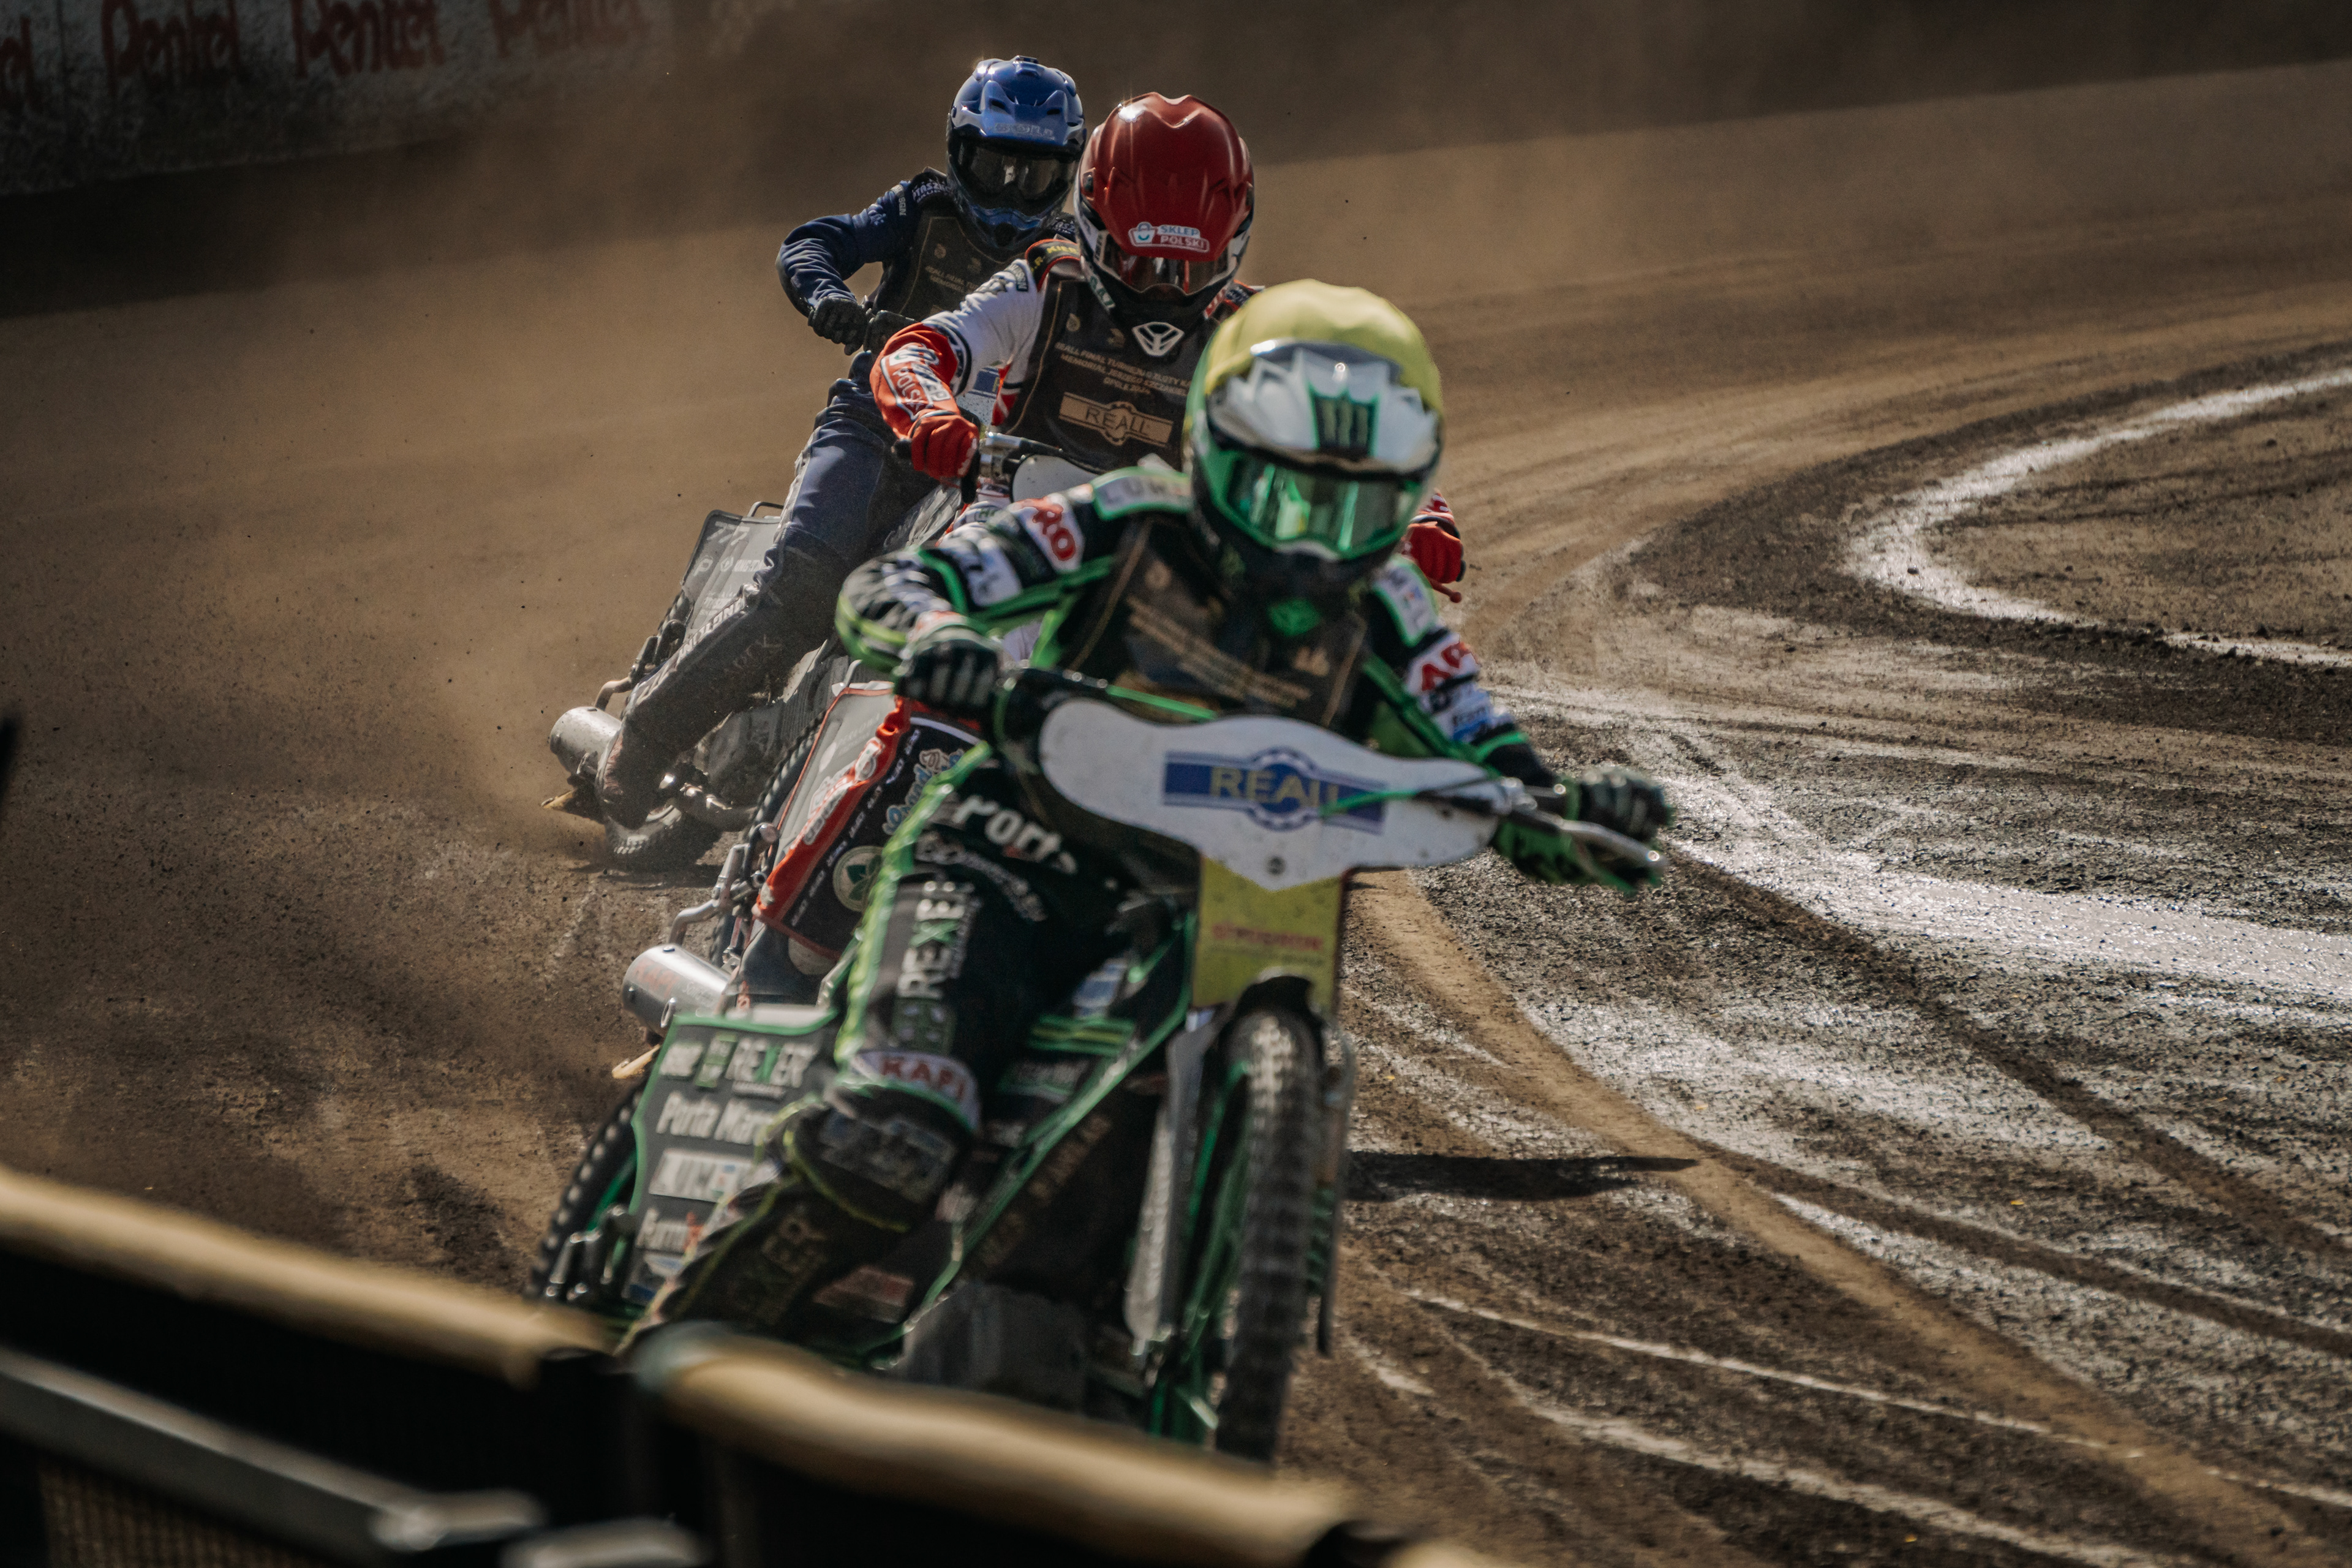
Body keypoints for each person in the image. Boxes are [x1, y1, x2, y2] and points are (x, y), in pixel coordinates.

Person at [630, 281, 1670, 1339]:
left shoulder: (1389, 607)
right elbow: (920, 583)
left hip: (1190, 916)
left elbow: (1475, 732)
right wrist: (939, 635)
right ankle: (667, 1344)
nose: (1312, 536)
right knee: (893, 1138)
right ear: (1217, 452)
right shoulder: (1119, 519)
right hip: (1006, 868)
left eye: (1350, 503)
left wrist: (1558, 812)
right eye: (1284, 488)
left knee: (1080, 1212)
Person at [598, 56, 1085, 829]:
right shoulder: (922, 207)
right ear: (960, 154)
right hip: (872, 428)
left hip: (984, 463)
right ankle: (646, 739)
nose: (1010, 193)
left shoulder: (1073, 258)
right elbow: (814, 242)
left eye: (1035, 176)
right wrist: (829, 297)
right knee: (804, 587)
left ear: (1067, 174)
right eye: (995, 167)